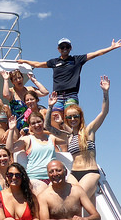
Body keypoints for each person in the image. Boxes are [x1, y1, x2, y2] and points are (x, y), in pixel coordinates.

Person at [45, 76, 111, 204]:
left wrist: (105, 92)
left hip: (90, 172)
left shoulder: (89, 130)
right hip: (74, 173)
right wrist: (50, 107)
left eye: (76, 116)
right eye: (69, 117)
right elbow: (48, 126)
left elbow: (104, 112)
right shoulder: (68, 136)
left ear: (80, 117)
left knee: (75, 200)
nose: (73, 119)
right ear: (67, 119)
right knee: (62, 199)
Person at [17, 38, 121, 116]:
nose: (65, 49)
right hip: (57, 96)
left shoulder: (77, 60)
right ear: (58, 49)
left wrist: (111, 47)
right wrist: (25, 61)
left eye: (67, 47)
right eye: (62, 47)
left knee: (70, 115)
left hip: (71, 95)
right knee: (55, 116)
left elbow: (96, 53)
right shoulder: (54, 62)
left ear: (70, 48)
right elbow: (38, 64)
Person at [6, 111, 66, 193]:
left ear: (43, 122)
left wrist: (61, 124)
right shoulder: (27, 139)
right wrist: (11, 129)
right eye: (33, 123)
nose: (37, 125)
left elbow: (68, 138)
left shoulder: (51, 138)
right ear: (30, 126)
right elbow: (9, 149)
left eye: (39, 122)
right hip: (35, 178)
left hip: (53, 176)